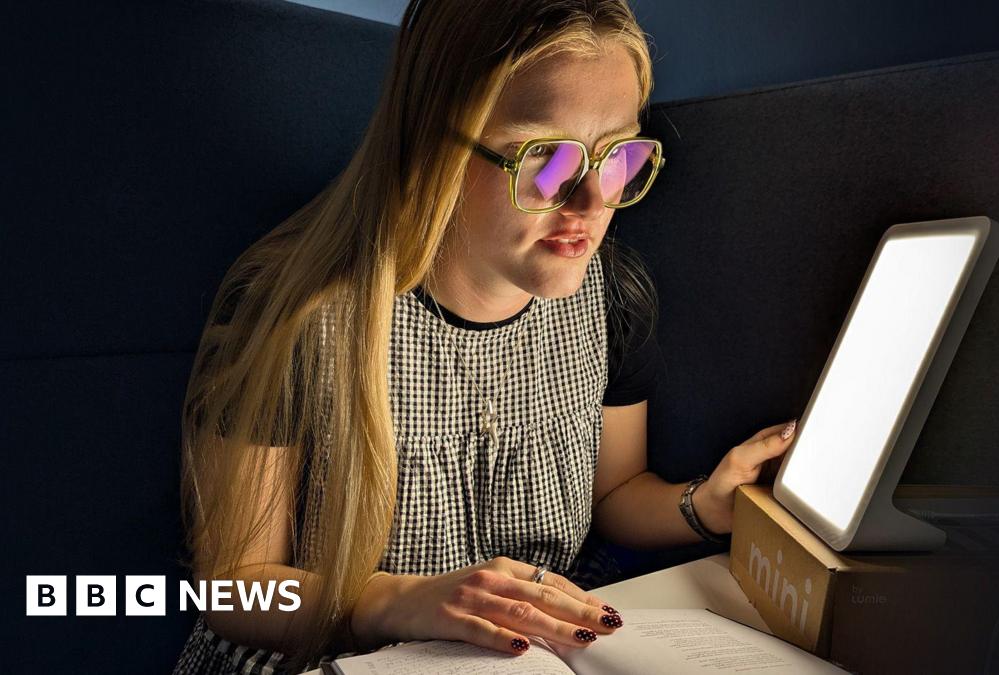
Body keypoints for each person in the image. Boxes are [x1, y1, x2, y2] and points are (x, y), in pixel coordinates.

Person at [172, 1, 797, 673]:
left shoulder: (613, 292)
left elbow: (614, 495)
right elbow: (234, 585)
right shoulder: (298, 310)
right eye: (545, 160)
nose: (591, 205)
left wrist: (701, 504)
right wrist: (396, 599)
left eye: (617, 157)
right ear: (436, 143)